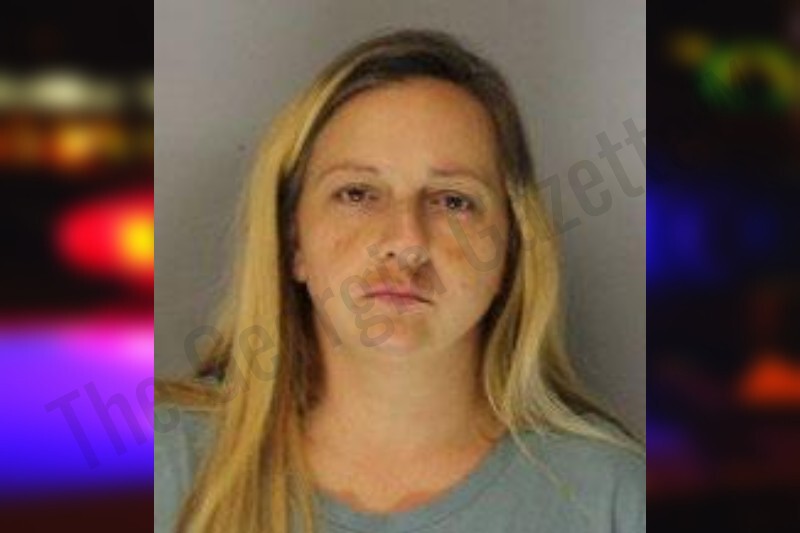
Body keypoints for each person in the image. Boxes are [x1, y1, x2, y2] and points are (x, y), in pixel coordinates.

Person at [155, 28, 645, 533]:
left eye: (453, 201)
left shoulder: (614, 500)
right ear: (293, 239)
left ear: (511, 249)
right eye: (357, 194)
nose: (406, 241)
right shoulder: (160, 469)